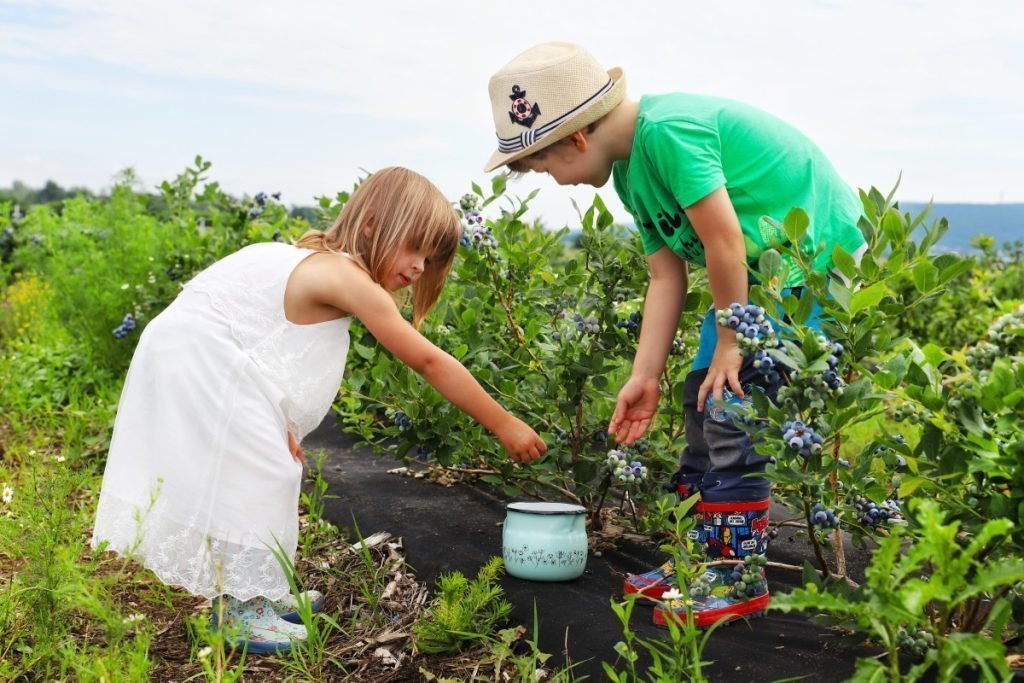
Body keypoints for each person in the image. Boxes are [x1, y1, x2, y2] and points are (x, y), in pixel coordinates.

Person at [483, 42, 866, 627]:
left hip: (810, 268)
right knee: (702, 403)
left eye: (543, 166)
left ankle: (737, 578)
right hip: (753, 284)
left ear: (576, 139)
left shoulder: (668, 133)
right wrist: (645, 375)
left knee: (731, 410)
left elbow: (725, 243)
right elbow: (666, 272)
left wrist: (732, 344)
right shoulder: (630, 175)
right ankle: (703, 561)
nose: (554, 182)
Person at [91, 167, 547, 654]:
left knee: (262, 469)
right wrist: (503, 422)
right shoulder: (347, 278)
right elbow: (428, 360)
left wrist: (278, 423)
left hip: (199, 351)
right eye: (414, 248)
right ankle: (242, 613)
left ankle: (253, 595)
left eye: (430, 259)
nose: (419, 267)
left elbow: (265, 344)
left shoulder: (312, 259)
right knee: (261, 476)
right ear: (372, 225)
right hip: (203, 359)